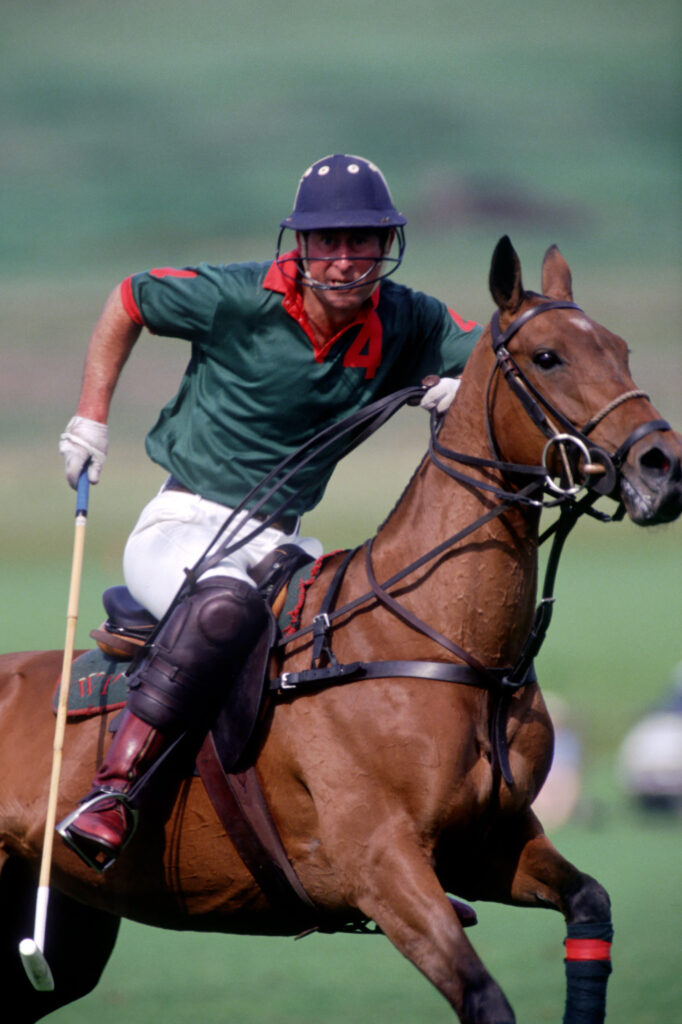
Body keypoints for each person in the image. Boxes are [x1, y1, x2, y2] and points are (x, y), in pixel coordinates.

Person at [57, 153, 483, 871]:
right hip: (182, 525)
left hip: (281, 541)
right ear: (301, 246)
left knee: (353, 632)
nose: (345, 260)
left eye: (362, 242)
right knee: (226, 611)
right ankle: (110, 792)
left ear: (386, 244)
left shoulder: (411, 318)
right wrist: (91, 418)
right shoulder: (236, 296)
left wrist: (465, 383)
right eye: (328, 242)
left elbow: (509, 351)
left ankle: (382, 848)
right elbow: (128, 299)